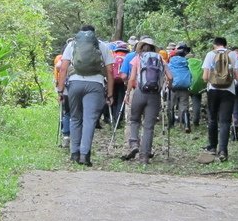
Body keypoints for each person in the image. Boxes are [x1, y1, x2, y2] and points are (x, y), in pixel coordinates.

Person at [56, 25, 115, 167]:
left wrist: (60, 90)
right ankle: (84, 155)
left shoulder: (72, 44)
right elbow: (110, 72)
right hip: (95, 85)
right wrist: (110, 94)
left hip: (75, 83)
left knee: (75, 118)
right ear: (94, 35)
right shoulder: (102, 46)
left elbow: (63, 68)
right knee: (89, 120)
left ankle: (74, 153)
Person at [121, 37, 171, 165]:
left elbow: (132, 79)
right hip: (154, 95)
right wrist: (165, 86)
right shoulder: (160, 59)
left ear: (140, 47)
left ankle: (133, 144)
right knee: (149, 126)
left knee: (134, 119)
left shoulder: (137, 58)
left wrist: (127, 93)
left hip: (139, 92)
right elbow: (170, 77)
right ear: (154, 48)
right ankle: (144, 157)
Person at [202, 37, 238, 162]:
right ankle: (223, 151)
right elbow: (237, 77)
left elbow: (205, 77)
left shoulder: (210, 55)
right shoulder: (233, 55)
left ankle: (212, 147)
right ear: (225, 45)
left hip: (213, 90)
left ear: (214, 45)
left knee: (212, 119)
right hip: (229, 91)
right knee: (225, 122)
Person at [167, 43, 193, 132]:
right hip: (185, 86)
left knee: (171, 105)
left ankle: (171, 124)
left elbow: (168, 74)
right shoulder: (187, 62)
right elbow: (191, 74)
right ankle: (186, 125)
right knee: (184, 105)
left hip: (173, 86)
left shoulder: (171, 62)